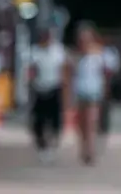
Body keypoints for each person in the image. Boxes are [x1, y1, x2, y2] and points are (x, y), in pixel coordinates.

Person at [28, 28, 67, 163]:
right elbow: (32, 70)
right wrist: (31, 84)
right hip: (40, 88)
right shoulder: (35, 51)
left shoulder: (58, 51)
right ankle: (42, 145)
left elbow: (63, 70)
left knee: (54, 120)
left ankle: (52, 142)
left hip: (54, 87)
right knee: (39, 120)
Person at [70, 23, 107, 165]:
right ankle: (83, 147)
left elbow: (104, 73)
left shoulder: (98, 54)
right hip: (80, 91)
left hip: (94, 92)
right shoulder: (75, 56)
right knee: (81, 124)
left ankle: (90, 150)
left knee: (91, 122)